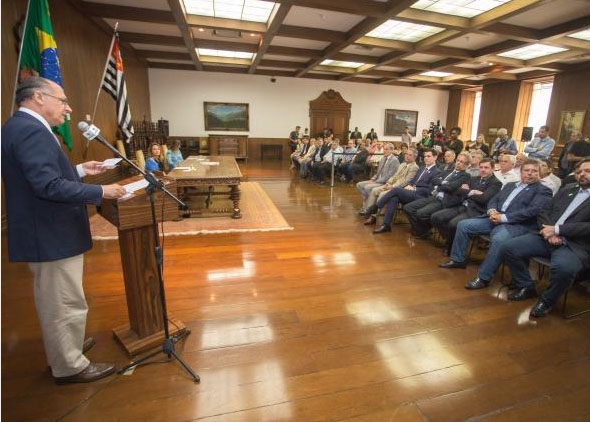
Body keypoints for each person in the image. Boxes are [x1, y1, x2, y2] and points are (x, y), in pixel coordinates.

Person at [1, 76, 127, 384]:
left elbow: (45, 175)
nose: (68, 109)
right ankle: (69, 365)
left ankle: (65, 347)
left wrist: (83, 170)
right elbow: (47, 186)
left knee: (58, 297)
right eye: (63, 101)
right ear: (39, 98)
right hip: (50, 232)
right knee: (62, 301)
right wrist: (101, 193)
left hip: (46, 230)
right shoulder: (31, 131)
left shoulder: (19, 127)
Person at [439, 159, 553, 291]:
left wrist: (503, 218)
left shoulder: (543, 190)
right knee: (464, 225)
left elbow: (533, 211)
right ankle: (458, 260)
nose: (530, 174)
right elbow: (494, 199)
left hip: (517, 224)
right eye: (527, 170)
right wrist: (491, 210)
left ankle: (483, 277)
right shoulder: (511, 185)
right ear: (521, 172)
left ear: (539, 173)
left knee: (499, 239)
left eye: (534, 171)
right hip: (495, 217)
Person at [501, 159, 590, 316]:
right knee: (509, 247)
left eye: (587, 171)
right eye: (578, 172)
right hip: (546, 236)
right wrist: (548, 231)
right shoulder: (568, 189)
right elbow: (544, 211)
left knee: (564, 269)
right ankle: (526, 286)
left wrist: (558, 230)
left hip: (573, 244)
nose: (582, 174)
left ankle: (547, 301)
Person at [431, 158, 502, 255]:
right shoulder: (474, 178)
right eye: (481, 167)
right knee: (436, 217)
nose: (483, 170)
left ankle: (450, 247)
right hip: (461, 205)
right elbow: (458, 191)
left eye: (486, 167)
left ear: (493, 169)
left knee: (453, 224)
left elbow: (484, 199)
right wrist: (473, 192)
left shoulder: (496, 183)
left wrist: (467, 192)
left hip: (475, 210)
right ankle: (451, 240)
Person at [403, 151, 472, 239]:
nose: (458, 163)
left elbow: (451, 187)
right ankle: (422, 230)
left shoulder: (465, 175)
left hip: (444, 201)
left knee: (421, 213)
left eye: (462, 162)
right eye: (458, 160)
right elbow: (434, 179)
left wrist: (441, 185)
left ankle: (422, 231)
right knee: (408, 208)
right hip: (433, 196)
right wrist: (444, 182)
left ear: (466, 165)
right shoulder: (448, 171)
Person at [372, 149, 440, 234]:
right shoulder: (422, 168)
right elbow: (413, 181)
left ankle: (375, 207)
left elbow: (430, 190)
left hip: (421, 196)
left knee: (396, 190)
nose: (426, 158)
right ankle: (386, 225)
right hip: (411, 193)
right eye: (425, 156)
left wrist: (415, 189)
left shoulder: (437, 172)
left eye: (428, 156)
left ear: (435, 157)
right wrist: (410, 185)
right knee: (394, 197)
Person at [356, 143, 399, 214]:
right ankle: (366, 205)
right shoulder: (383, 158)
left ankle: (367, 209)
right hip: (377, 180)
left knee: (367, 187)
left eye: (386, 149)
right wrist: (373, 179)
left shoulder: (394, 160)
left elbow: (389, 176)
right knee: (359, 184)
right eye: (384, 149)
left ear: (391, 150)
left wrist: (375, 181)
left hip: (385, 182)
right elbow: (378, 172)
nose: (384, 151)